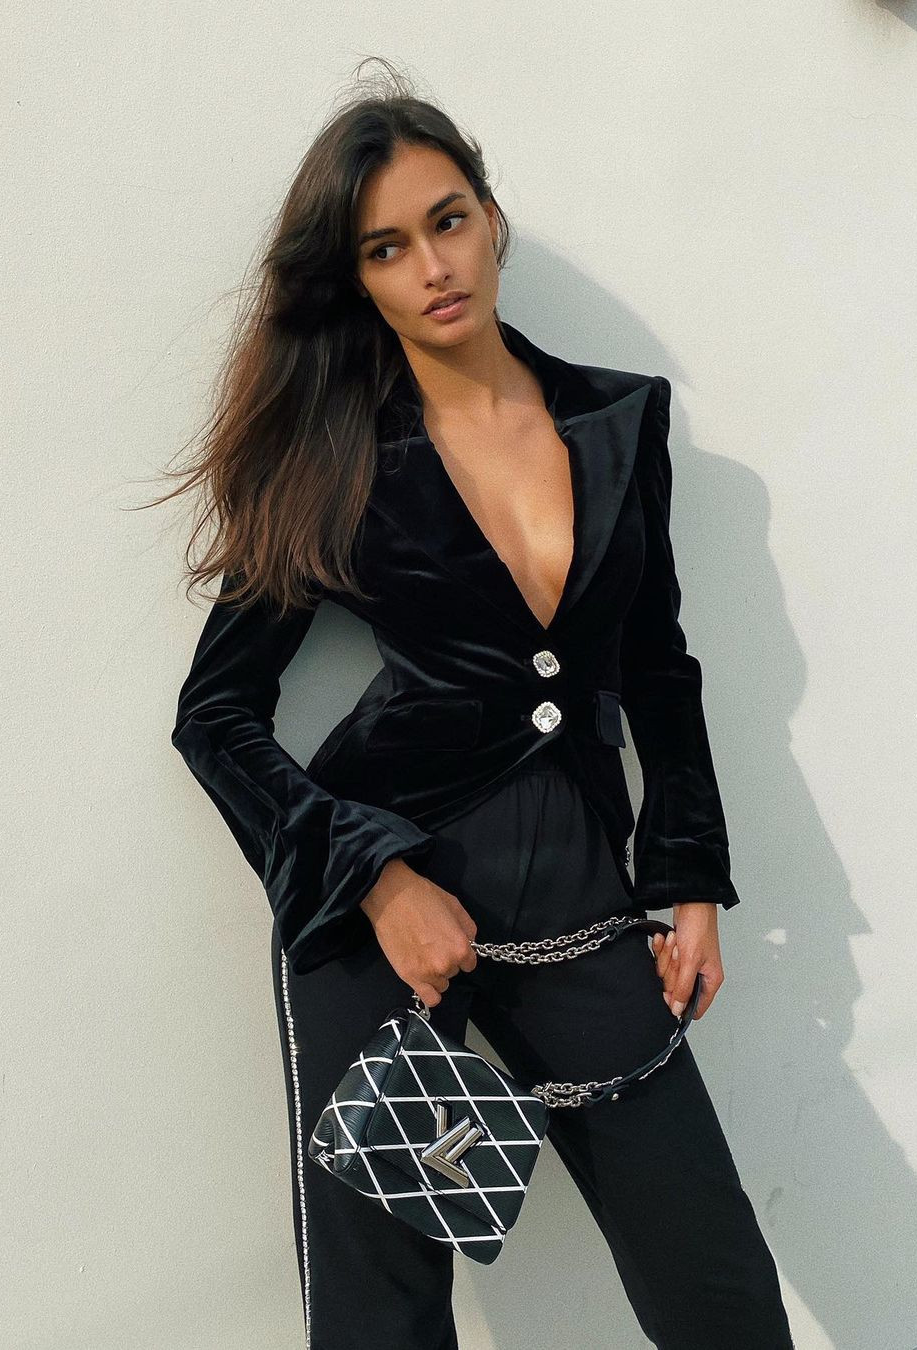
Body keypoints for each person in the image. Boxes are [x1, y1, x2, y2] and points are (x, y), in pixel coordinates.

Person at [160, 60, 794, 1350]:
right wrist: (376, 878)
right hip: (379, 911)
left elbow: (657, 663)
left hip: (575, 883)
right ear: (359, 281)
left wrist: (689, 880)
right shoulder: (333, 457)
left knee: (713, 1275)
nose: (433, 267)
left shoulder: (617, 421)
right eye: (386, 248)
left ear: (492, 218)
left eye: (447, 221)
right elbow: (214, 715)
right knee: (383, 1312)